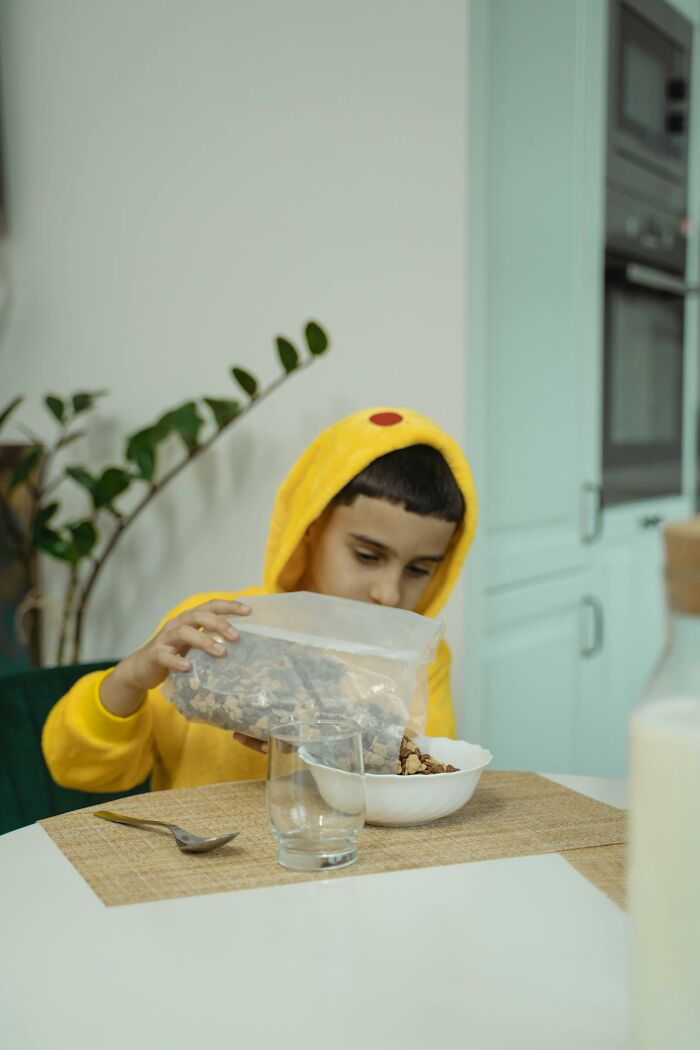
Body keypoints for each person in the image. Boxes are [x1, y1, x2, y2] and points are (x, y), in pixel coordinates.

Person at [42, 406, 477, 792]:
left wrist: (325, 748)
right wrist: (131, 678)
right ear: (311, 531)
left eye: (419, 568)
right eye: (367, 555)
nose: (389, 592)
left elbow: (420, 781)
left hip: (344, 866)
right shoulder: (216, 628)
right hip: (197, 871)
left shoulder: (419, 659)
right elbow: (81, 772)